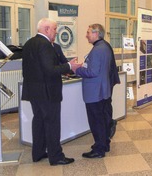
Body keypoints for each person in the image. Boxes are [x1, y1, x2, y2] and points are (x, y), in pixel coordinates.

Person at [22, 18, 80, 166]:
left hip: (34, 92)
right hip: (48, 92)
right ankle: (56, 157)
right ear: (47, 29)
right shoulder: (46, 45)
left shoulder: (29, 43)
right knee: (52, 123)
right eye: (54, 29)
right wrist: (69, 66)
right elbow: (50, 70)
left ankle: (38, 152)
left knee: (39, 121)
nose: (56, 32)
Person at [72, 24, 112, 158]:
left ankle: (99, 149)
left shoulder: (97, 50)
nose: (86, 35)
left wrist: (76, 69)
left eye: (88, 32)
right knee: (102, 119)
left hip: (94, 92)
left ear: (96, 33)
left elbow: (93, 71)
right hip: (102, 91)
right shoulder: (105, 46)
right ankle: (104, 144)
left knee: (96, 121)